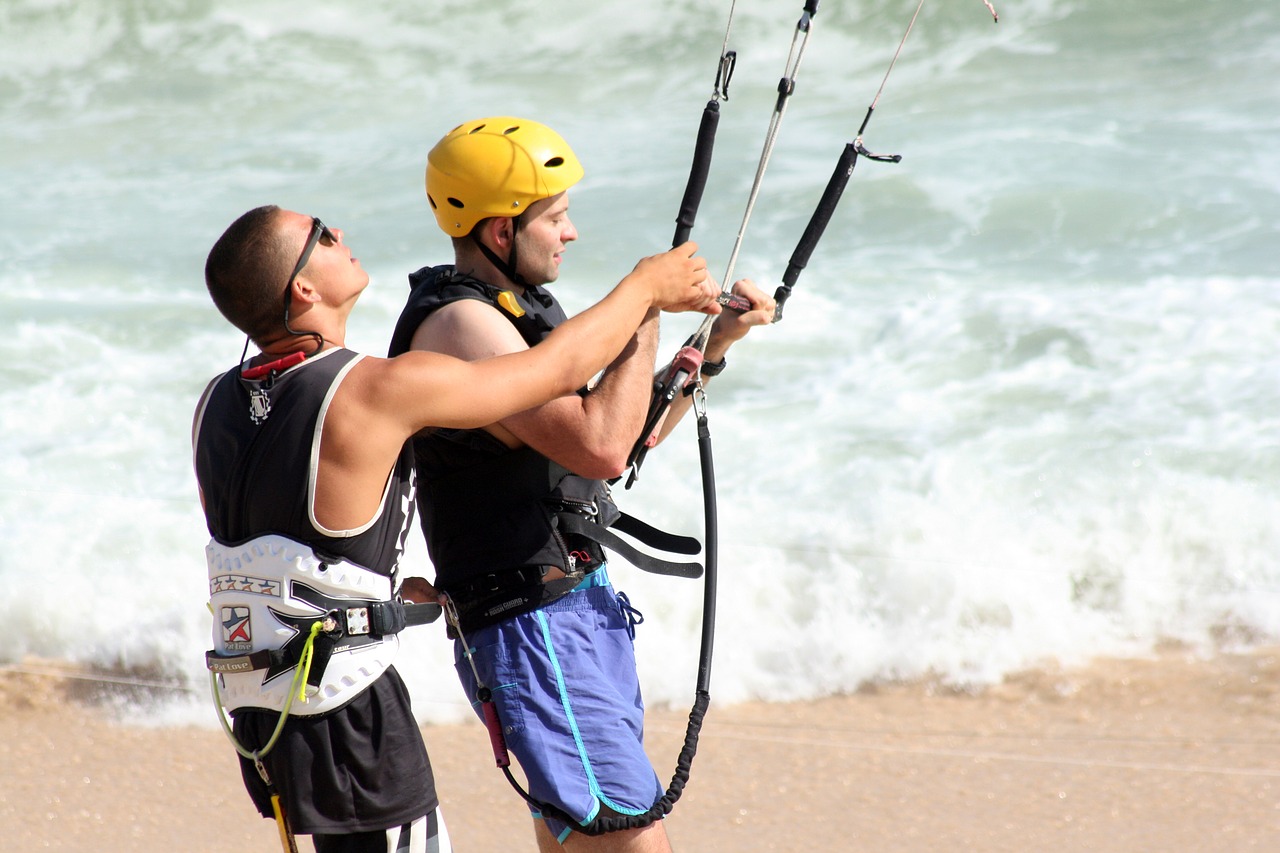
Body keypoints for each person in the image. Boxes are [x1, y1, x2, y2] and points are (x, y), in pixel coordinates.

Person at [193, 204, 719, 853]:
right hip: (349, 712)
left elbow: (280, 547)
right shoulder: (373, 389)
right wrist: (645, 288)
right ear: (303, 288)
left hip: (262, 715)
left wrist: (376, 595)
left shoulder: (214, 404)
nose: (342, 235)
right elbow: (552, 373)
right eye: (323, 235)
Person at [387, 117, 776, 852]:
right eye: (555, 217)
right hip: (532, 624)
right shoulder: (461, 324)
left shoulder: (520, 311)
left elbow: (619, 436)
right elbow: (600, 443)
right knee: (630, 840)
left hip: (575, 610)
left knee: (585, 838)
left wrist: (713, 345)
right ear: (500, 231)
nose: (571, 233)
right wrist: (645, 298)